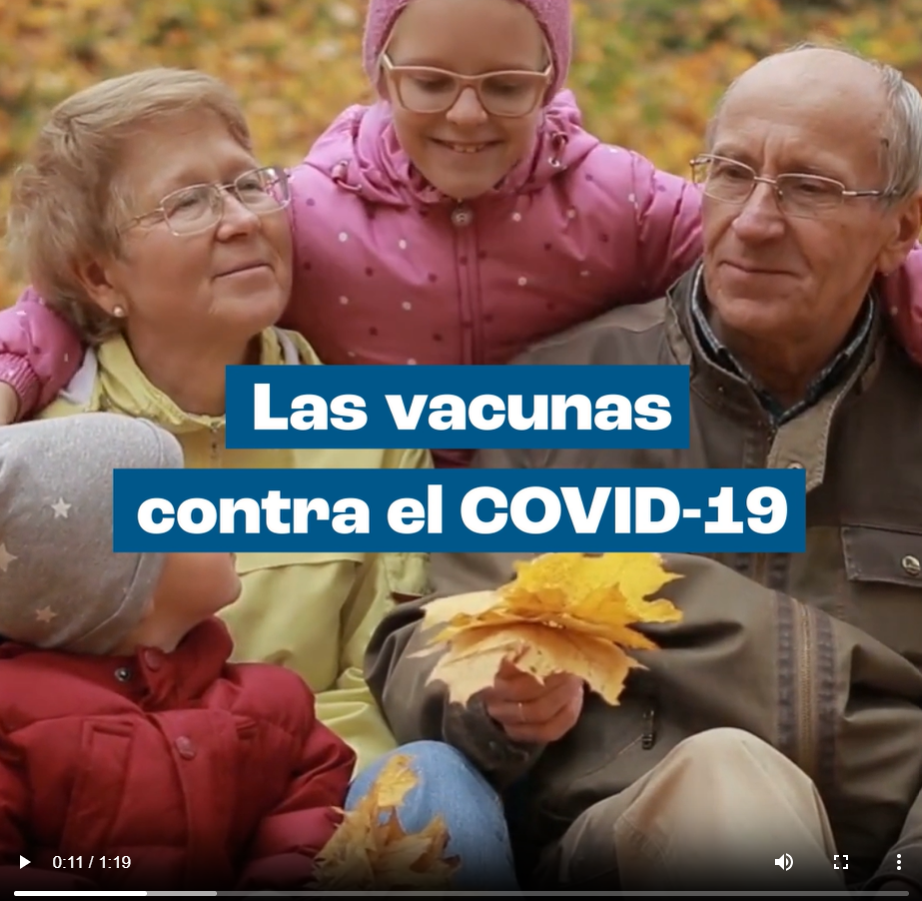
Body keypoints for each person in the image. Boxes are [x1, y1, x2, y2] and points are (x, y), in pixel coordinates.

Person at [362, 45, 922, 895]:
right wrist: (496, 697)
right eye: (732, 172)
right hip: (615, 842)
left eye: (810, 188)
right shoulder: (565, 388)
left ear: (902, 230)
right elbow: (423, 635)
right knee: (728, 781)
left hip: (876, 858)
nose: (757, 219)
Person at [5, 0, 922, 469]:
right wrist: (18, 367)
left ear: (549, 76)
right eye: (430, 82)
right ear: (382, 74)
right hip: (373, 508)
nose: (468, 115)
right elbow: (88, 287)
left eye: (507, 86)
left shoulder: (617, 201)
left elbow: (775, 241)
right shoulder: (312, 213)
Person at [2, 70, 519, 891]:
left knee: (436, 781)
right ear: (100, 277)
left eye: (247, 183)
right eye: (188, 202)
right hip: (114, 819)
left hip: (324, 798)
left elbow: (380, 674)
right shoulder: (44, 458)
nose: (242, 219)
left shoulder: (370, 434)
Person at [0, 413, 355, 892]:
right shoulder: (14, 719)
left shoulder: (275, 704)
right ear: (125, 586)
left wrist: (284, 869)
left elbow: (305, 811)